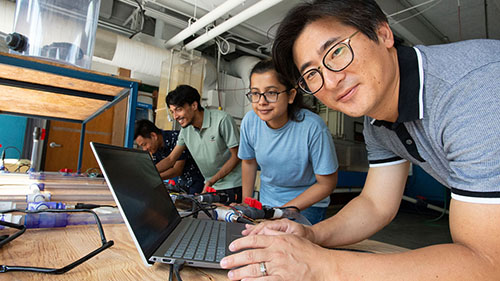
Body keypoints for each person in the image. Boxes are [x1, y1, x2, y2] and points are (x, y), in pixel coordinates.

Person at [220, 0, 500, 280]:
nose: (329, 82)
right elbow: (376, 204)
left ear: (383, 33)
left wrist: (321, 265)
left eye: (337, 51)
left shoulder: (475, 90)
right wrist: (310, 234)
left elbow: (488, 262)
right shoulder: (376, 118)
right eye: (312, 74)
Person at [239, 59, 338, 224]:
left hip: (306, 206)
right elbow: (249, 163)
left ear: (291, 95)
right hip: (267, 203)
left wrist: (283, 212)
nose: (262, 102)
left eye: (271, 93)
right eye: (255, 93)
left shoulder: (313, 127)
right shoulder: (250, 121)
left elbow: (327, 184)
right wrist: (247, 204)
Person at [156, 85, 243, 203]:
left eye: (179, 109)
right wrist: (149, 173)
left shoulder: (222, 120)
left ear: (194, 105)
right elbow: (171, 159)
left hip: (232, 185)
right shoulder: (185, 130)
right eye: (172, 112)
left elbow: (236, 156)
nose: (175, 116)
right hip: (210, 186)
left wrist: (212, 180)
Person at [134, 119, 205, 194]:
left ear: (153, 136)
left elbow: (176, 170)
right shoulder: (155, 148)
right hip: (182, 185)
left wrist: (152, 176)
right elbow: (158, 168)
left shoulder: (177, 138)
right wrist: (146, 174)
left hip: (198, 183)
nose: (144, 149)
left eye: (144, 144)